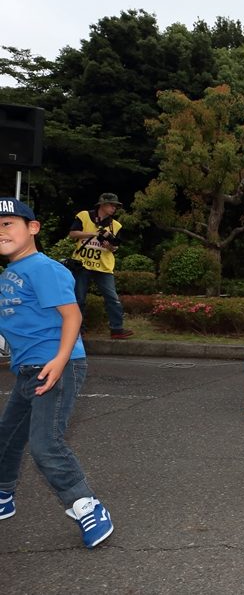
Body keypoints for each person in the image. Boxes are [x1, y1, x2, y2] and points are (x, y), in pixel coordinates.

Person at [0, 197, 114, 548]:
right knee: (7, 437)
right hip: (29, 368)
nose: (1, 231)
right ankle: (3, 495)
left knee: (45, 443)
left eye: (7, 224)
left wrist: (60, 360)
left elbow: (73, 316)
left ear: (32, 228)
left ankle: (87, 505)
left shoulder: (43, 268)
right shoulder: (10, 274)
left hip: (56, 365)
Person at [68, 193, 133, 339]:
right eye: (111, 205)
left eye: (115, 206)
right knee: (79, 299)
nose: (114, 208)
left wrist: (108, 245)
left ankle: (117, 329)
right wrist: (93, 234)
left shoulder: (116, 225)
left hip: (103, 266)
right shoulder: (84, 216)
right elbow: (72, 233)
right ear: (102, 205)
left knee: (113, 298)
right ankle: (77, 330)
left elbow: (115, 248)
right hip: (82, 264)